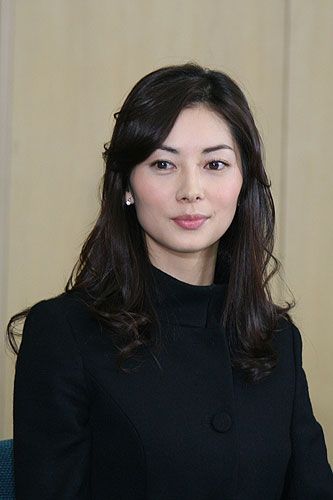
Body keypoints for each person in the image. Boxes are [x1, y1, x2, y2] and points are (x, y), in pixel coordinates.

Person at [7, 63, 333, 499]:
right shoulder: (64, 334)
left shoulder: (276, 341)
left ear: (243, 182)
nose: (191, 189)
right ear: (127, 185)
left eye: (215, 163)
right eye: (163, 163)